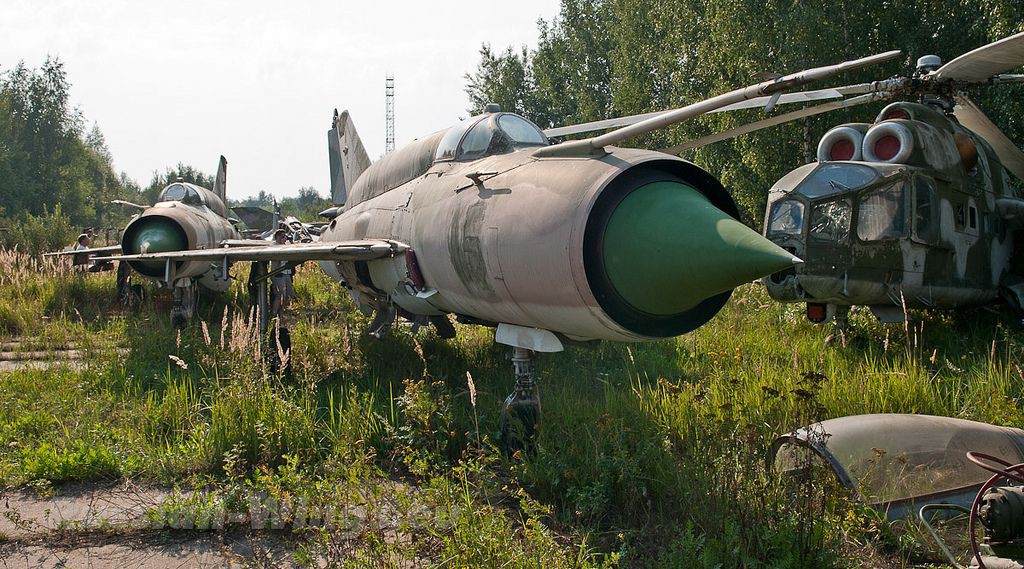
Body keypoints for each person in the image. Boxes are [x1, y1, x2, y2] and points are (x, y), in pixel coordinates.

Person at [270, 229, 295, 317]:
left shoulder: (286, 246)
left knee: (288, 295)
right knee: (279, 295)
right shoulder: (273, 246)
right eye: (282, 237)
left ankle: (281, 313)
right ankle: (274, 313)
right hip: (278, 273)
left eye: (285, 237)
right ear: (277, 237)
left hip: (286, 273)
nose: (284, 239)